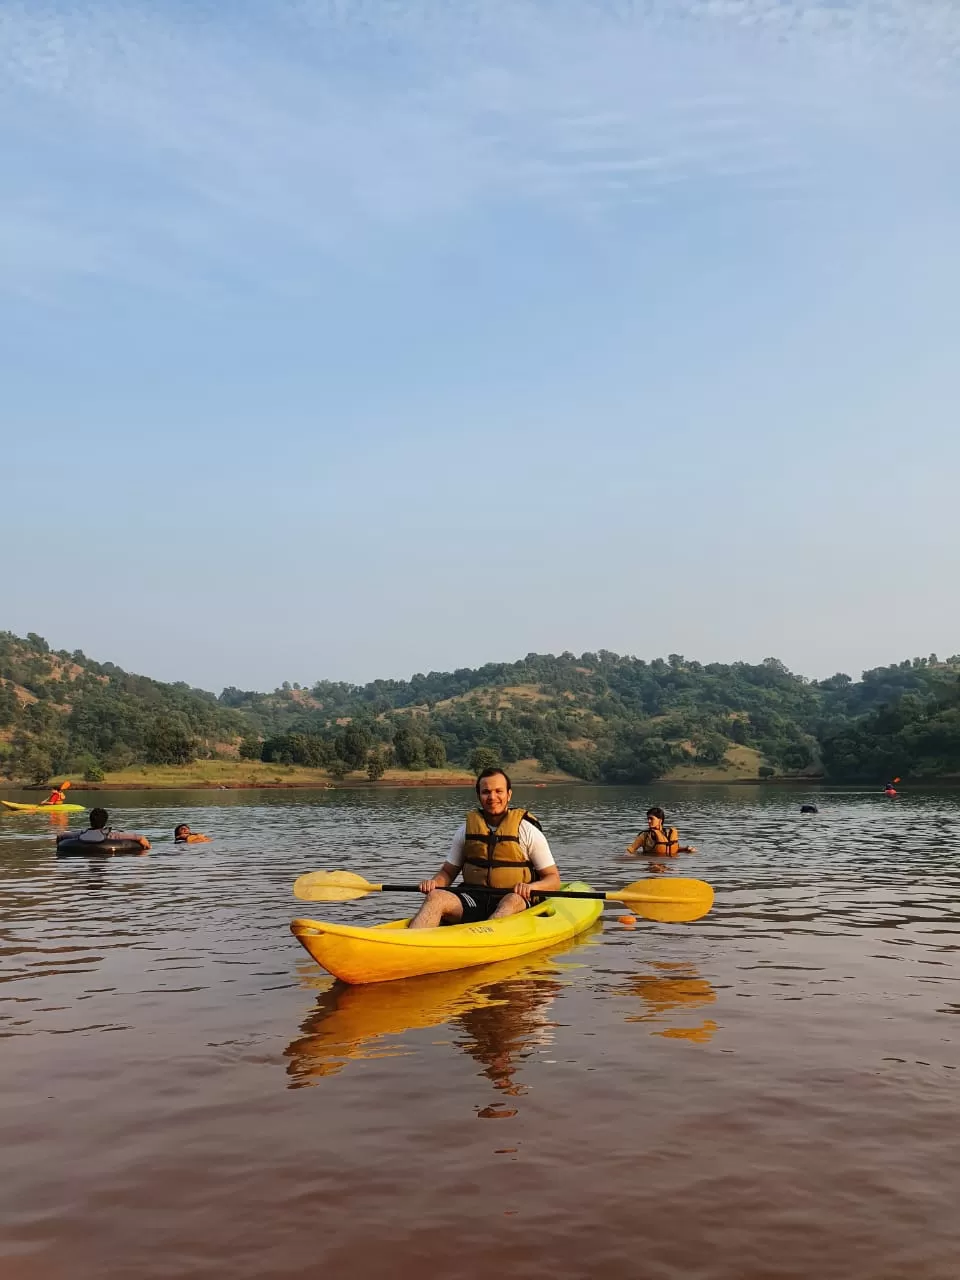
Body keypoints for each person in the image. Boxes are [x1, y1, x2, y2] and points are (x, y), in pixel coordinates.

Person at [408, 767, 562, 929]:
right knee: (436, 896)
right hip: (474, 899)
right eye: (486, 792)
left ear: (509, 795)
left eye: (498, 791)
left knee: (512, 901)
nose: (492, 797)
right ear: (479, 796)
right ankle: (410, 944)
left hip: (513, 898)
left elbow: (553, 879)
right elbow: (447, 872)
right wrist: (434, 883)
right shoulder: (465, 831)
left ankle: (483, 939)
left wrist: (531, 887)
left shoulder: (527, 831)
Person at [625, 807, 696, 859]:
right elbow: (629, 851)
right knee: (656, 868)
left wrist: (686, 849)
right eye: (648, 819)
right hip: (652, 864)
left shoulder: (668, 833)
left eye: (651, 819)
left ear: (660, 821)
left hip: (669, 865)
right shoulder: (644, 836)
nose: (649, 821)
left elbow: (672, 849)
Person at [70, 807, 150, 849]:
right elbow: (140, 838)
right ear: (105, 821)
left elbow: (61, 836)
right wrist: (147, 849)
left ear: (90, 821)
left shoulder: (81, 834)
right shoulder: (112, 835)